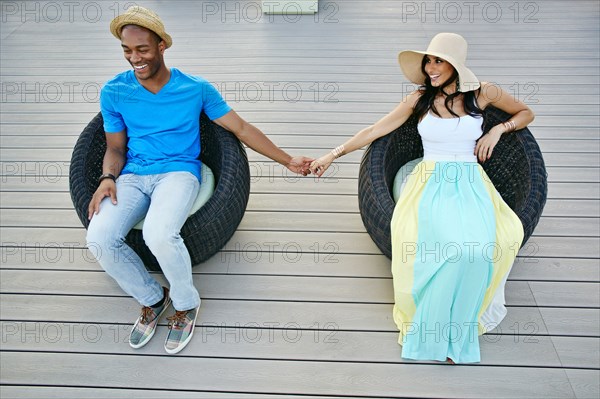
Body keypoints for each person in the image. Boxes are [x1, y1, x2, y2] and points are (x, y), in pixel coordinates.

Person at [86, 6, 313, 355]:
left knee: (158, 234)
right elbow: (115, 147)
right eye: (127, 51)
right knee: (99, 238)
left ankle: (185, 303)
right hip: (133, 174)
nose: (135, 58)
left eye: (143, 49)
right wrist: (107, 177)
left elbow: (240, 128)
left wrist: (287, 160)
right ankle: (152, 297)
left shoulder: (195, 88)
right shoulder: (115, 91)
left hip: (178, 173)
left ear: (162, 46)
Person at [310, 33, 533, 363]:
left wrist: (498, 130)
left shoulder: (484, 92)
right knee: (452, 252)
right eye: (428, 61)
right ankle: (432, 333)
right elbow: (374, 130)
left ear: (455, 64)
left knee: (477, 252)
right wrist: (332, 154)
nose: (430, 67)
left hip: (471, 184)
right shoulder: (419, 99)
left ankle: (458, 335)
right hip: (431, 184)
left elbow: (526, 113)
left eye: (438, 60)